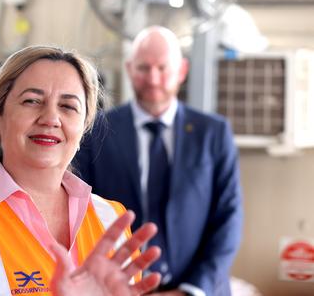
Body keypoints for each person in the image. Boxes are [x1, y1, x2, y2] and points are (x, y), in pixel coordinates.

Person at [0, 46, 162, 295]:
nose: (50, 118)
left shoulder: (111, 219)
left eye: (68, 106)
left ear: (84, 126)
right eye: (32, 101)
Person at [75, 26, 243, 296]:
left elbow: (228, 218)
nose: (153, 79)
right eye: (143, 68)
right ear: (129, 69)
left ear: (182, 70)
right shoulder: (96, 130)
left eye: (163, 68)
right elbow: (78, 213)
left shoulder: (213, 133)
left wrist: (192, 289)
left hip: (196, 289)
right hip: (117, 289)